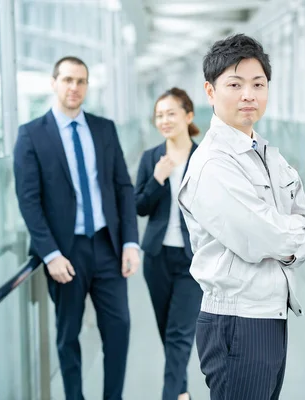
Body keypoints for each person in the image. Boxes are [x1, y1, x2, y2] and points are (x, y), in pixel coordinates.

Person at [177, 33, 305, 400]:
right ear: (210, 92)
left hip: (267, 315)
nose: (249, 95)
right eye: (235, 84)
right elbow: (267, 237)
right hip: (237, 320)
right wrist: (288, 241)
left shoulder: (263, 151)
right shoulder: (214, 163)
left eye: (258, 84)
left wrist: (283, 239)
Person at [13, 56, 140, 400]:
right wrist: (50, 254)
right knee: (68, 335)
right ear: (53, 82)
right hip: (65, 253)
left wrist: (131, 242)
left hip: (107, 246)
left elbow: (123, 188)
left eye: (81, 81)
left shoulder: (104, 128)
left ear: (87, 86)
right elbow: (29, 200)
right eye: (67, 79)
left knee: (119, 329)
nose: (74, 87)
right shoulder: (31, 135)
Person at [135, 87, 202, 400]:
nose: (164, 120)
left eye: (171, 113)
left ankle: (170, 395)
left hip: (193, 260)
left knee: (179, 333)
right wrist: (157, 179)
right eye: (159, 115)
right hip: (157, 257)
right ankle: (182, 390)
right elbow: (139, 206)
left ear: (188, 116)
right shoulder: (151, 158)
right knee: (167, 330)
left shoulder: (205, 158)